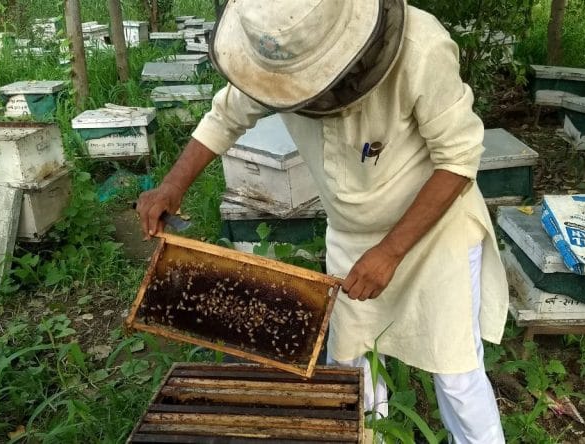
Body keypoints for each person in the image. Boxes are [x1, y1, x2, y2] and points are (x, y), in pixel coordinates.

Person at [137, 1, 509, 442]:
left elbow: (459, 159)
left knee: (455, 373)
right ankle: (373, 436)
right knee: (351, 369)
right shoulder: (272, 53)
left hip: (436, 234)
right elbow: (225, 116)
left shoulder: (420, 46)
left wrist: (390, 252)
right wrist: (172, 185)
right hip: (351, 239)